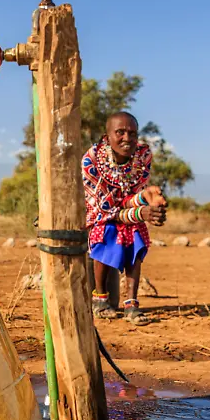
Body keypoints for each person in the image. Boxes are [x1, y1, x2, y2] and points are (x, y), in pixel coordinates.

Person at [82, 112, 167, 326]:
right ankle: (100, 300)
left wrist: (148, 198)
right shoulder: (92, 160)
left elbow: (131, 197)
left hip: (121, 213)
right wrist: (140, 212)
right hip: (95, 216)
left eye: (132, 133)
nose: (126, 138)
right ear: (107, 136)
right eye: (120, 132)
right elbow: (103, 209)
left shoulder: (143, 156)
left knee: (136, 233)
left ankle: (131, 303)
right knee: (106, 232)